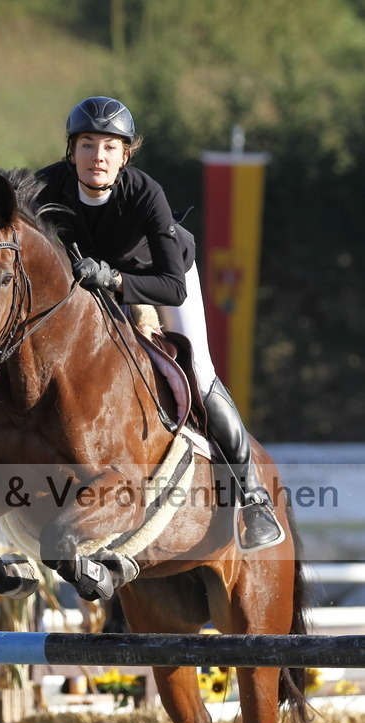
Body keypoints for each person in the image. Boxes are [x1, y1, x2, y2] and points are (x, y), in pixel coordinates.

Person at [35, 95, 283, 552]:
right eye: (87, 145)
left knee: (200, 372)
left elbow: (173, 285)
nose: (98, 157)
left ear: (125, 155)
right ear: (71, 151)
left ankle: (253, 500)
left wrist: (112, 279)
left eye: (110, 147)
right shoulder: (44, 188)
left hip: (154, 281)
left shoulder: (144, 192)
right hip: (83, 292)